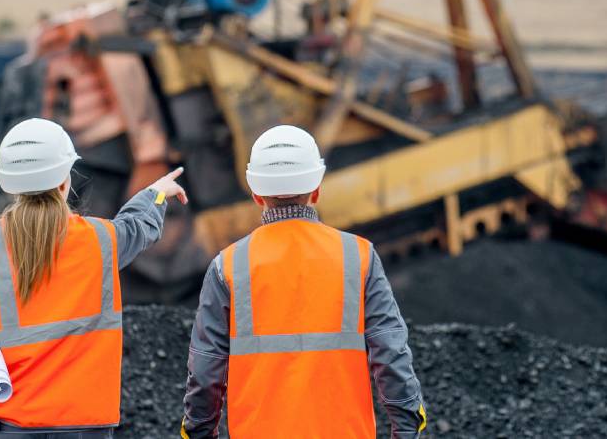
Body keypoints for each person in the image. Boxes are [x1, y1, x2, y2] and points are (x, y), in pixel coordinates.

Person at [0, 118, 188, 438]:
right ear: (65, 181)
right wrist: (157, 192)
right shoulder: (101, 241)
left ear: (8, 183)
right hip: (82, 427)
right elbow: (138, 227)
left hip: (5, 426)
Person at [181, 125, 427, 438]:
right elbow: (391, 353)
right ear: (317, 189)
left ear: (256, 195)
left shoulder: (228, 266)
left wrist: (198, 431)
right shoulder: (358, 256)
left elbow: (205, 370)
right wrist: (406, 427)